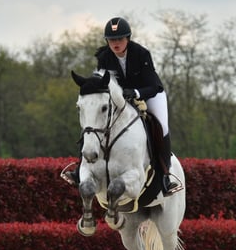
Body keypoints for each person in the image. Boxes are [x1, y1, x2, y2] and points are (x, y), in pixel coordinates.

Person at [62, 17, 182, 196]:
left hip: (148, 94)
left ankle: (166, 175)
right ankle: (80, 169)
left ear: (128, 38)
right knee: (92, 124)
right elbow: (102, 82)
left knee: (161, 127)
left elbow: (153, 86)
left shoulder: (141, 54)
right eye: (111, 40)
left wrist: (135, 92)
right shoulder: (104, 56)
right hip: (121, 97)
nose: (115, 43)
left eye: (119, 39)